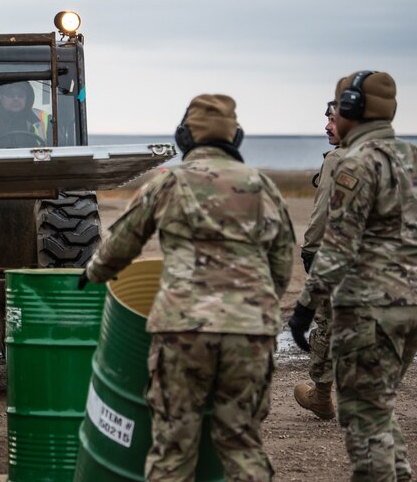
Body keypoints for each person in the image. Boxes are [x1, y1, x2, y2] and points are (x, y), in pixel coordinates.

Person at [81, 94, 294, 480]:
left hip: (184, 329)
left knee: (174, 446)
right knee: (242, 441)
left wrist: (92, 273)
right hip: (251, 330)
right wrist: (257, 307)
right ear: (237, 138)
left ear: (183, 137)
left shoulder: (169, 184)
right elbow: (282, 263)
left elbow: (120, 245)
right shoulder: (263, 186)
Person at [289, 70, 417, 480]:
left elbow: (338, 245)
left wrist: (305, 307)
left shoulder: (355, 164)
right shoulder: (410, 159)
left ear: (351, 109)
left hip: (372, 308)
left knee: (364, 426)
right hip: (410, 304)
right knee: (378, 413)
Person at [293, 100, 343, 420]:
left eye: (334, 121)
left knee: (327, 322)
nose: (327, 127)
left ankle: (322, 396)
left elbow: (323, 211)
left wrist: (310, 251)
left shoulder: (338, 159)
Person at [0, 82, 49, 148]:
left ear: (27, 97)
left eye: (21, 94)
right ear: (0, 97)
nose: (16, 98)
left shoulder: (44, 119)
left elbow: (57, 150)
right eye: (10, 94)